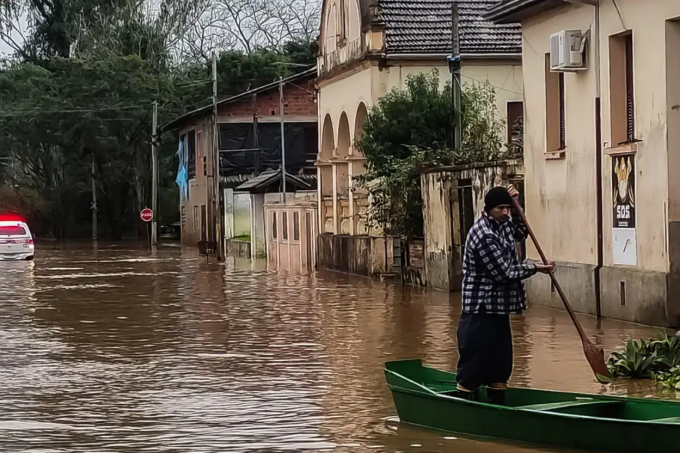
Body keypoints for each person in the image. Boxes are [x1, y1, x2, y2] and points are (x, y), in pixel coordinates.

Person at [455, 184, 554, 405]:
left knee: (501, 365)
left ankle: (497, 405)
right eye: (501, 208)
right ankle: (463, 408)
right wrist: (536, 268)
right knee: (474, 364)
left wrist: (518, 204)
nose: (506, 212)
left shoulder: (504, 224)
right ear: (489, 209)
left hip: (499, 308)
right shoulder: (483, 235)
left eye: (508, 208)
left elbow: (522, 230)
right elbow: (504, 273)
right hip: (479, 310)